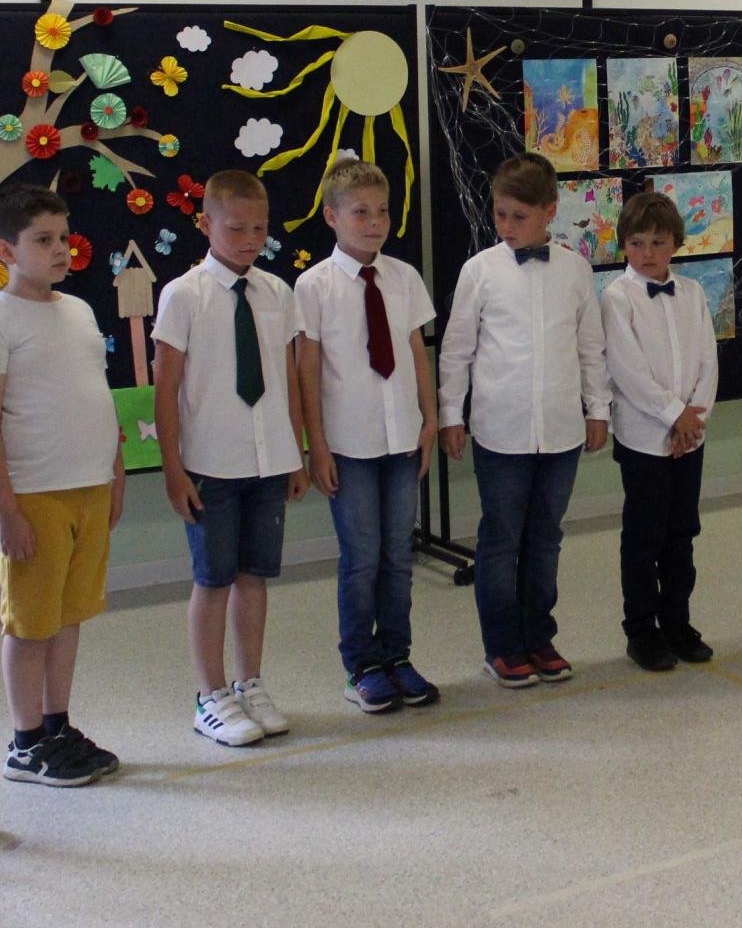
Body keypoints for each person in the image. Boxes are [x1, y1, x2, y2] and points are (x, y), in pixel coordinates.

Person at [0, 185, 125, 786]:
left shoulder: (78, 310)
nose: (60, 249)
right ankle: (25, 742)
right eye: (43, 240)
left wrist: (115, 473)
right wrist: (6, 512)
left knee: (69, 615)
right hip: (33, 496)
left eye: (64, 237)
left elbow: (96, 397)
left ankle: (57, 725)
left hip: (89, 488)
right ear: (6, 250)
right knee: (31, 624)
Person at [439, 152, 610, 687]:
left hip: (560, 431)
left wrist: (598, 408)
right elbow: (457, 350)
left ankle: (539, 637)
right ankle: (502, 647)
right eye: (500, 214)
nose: (507, 226)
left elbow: (590, 347)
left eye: (519, 216)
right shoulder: (480, 271)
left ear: (549, 212)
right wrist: (451, 414)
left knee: (545, 538)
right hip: (500, 431)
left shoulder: (575, 270)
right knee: (501, 539)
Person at [153, 171, 308, 745]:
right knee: (213, 579)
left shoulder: (277, 293)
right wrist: (173, 470)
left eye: (259, 229)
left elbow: (287, 378)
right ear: (205, 224)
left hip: (268, 460)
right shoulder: (183, 295)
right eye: (236, 228)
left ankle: (250, 683)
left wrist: (296, 453)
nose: (250, 239)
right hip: (210, 465)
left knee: (254, 576)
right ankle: (210, 694)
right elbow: (165, 389)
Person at [298, 158, 442, 713]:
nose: (374, 222)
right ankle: (361, 664)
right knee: (361, 559)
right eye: (360, 212)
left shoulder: (403, 277)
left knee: (398, 556)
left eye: (381, 211)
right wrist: (316, 444)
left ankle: (397, 656)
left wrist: (429, 419)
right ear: (332, 217)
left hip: (401, 437)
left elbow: (415, 351)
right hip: (349, 444)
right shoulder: (313, 286)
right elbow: (308, 369)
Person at [601, 192, 719, 672]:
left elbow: (708, 360)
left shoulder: (692, 293)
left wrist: (694, 419)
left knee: (682, 533)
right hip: (643, 437)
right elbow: (627, 370)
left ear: (676, 243)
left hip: (690, 437)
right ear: (624, 245)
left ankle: (677, 622)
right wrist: (674, 415)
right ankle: (641, 629)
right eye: (636, 243)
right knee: (644, 536)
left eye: (657, 242)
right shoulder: (617, 297)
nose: (647, 252)